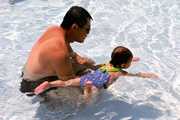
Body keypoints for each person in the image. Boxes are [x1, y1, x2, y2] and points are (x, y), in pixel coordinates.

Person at [34, 46, 159, 102]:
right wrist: (146, 75)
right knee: (88, 101)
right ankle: (87, 91)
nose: (129, 64)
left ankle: (49, 84)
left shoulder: (108, 63)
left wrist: (132, 59)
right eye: (129, 62)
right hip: (98, 84)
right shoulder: (120, 72)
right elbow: (135, 74)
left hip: (90, 76)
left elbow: (118, 60)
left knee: (68, 83)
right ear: (123, 65)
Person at [19, 6, 96, 96]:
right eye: (87, 29)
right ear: (74, 27)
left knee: (88, 63)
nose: (88, 33)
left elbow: (74, 55)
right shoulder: (59, 51)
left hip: (27, 74)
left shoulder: (54, 30)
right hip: (33, 86)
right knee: (88, 93)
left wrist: (92, 66)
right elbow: (72, 85)